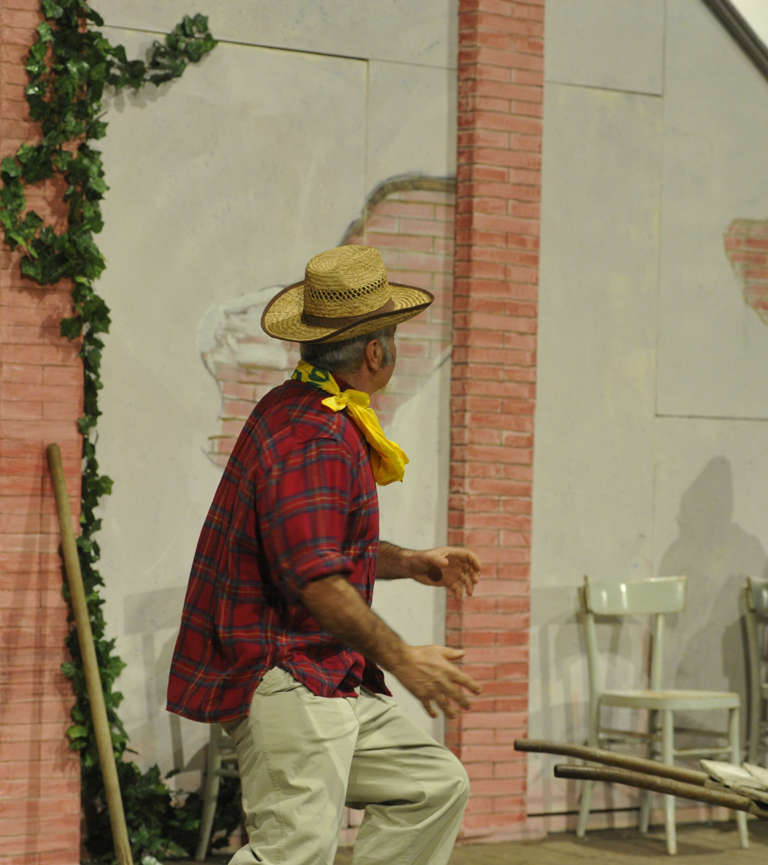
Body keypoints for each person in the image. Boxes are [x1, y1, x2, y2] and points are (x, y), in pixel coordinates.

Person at [167, 244, 481, 864]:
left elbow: (318, 549)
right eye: (393, 336)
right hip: (286, 673)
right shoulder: (314, 434)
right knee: (296, 852)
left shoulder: (303, 409)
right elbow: (316, 580)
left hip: (323, 671)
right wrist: (405, 660)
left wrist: (411, 562)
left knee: (432, 787)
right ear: (375, 353)